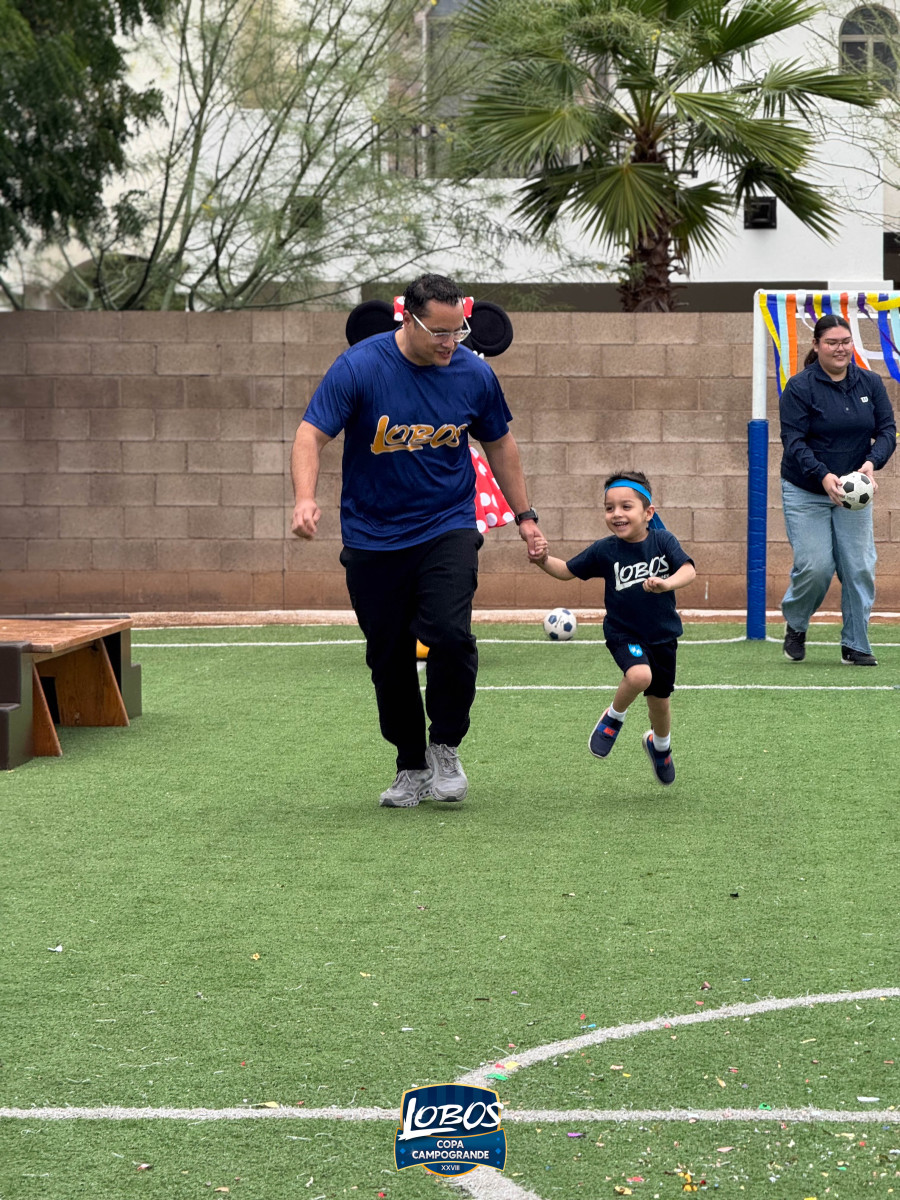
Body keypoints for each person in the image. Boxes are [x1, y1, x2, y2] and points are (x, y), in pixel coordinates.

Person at [290, 273, 542, 808]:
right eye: (440, 332)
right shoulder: (360, 367)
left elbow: (501, 444)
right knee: (388, 657)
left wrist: (525, 516)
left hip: (447, 524)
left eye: (459, 331)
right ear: (409, 319)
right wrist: (304, 498)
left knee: (449, 634)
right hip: (372, 535)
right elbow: (310, 433)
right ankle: (410, 764)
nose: (452, 342)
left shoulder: (473, 373)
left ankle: (445, 745)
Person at [532, 472, 696, 787]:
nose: (617, 514)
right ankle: (613, 717)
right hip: (624, 633)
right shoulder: (605, 550)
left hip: (663, 636)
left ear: (648, 513)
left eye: (626, 506)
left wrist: (666, 584)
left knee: (659, 702)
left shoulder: (663, 541)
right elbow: (566, 571)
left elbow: (688, 570)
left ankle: (660, 746)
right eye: (609, 508)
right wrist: (542, 559)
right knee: (639, 676)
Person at [779, 313, 896, 666]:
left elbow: (887, 430)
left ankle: (856, 644)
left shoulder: (870, 383)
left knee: (858, 567)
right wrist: (823, 475)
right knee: (815, 567)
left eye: (845, 341)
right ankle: (796, 623)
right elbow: (793, 441)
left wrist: (871, 463)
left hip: (853, 495)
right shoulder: (799, 387)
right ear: (816, 345)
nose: (840, 348)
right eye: (831, 342)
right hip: (806, 490)